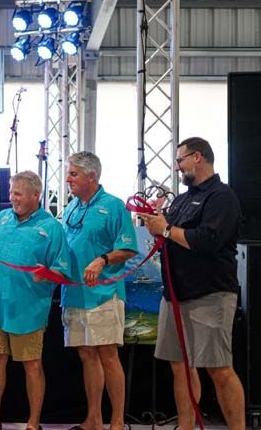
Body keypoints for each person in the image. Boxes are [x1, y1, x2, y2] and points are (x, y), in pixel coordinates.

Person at [137, 137, 245, 430]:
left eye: (180, 159)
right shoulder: (182, 200)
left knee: (219, 369)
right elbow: (170, 236)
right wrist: (156, 224)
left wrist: (167, 229)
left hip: (210, 294)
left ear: (198, 157)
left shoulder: (222, 197)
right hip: (174, 295)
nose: (177, 166)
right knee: (179, 367)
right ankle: (185, 426)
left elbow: (208, 241)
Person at [0, 171, 71, 430]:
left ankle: (33, 423)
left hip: (29, 310)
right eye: (11, 193)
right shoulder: (1, 219)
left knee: (32, 365)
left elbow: (62, 270)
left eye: (17, 194)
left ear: (35, 196)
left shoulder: (52, 227)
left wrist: (47, 275)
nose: (12, 198)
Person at [61, 151, 138, 430]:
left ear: (91, 176)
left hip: (104, 294)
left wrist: (102, 259)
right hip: (74, 293)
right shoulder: (71, 207)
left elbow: (129, 248)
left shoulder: (114, 206)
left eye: (73, 174)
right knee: (86, 355)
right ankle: (93, 419)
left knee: (107, 354)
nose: (68, 179)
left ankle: (116, 422)